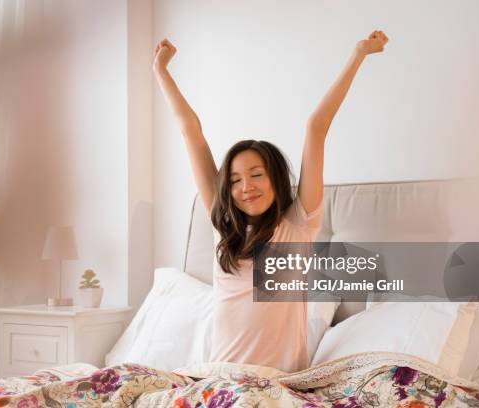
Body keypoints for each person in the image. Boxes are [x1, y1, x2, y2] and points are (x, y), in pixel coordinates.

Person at [153, 31, 389, 372]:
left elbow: (316, 126)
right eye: (234, 180)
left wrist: (359, 54)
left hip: (277, 384)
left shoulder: (298, 223)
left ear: (276, 179)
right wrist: (161, 71)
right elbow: (191, 131)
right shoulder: (224, 225)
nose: (246, 186)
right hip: (219, 378)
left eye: (256, 174)